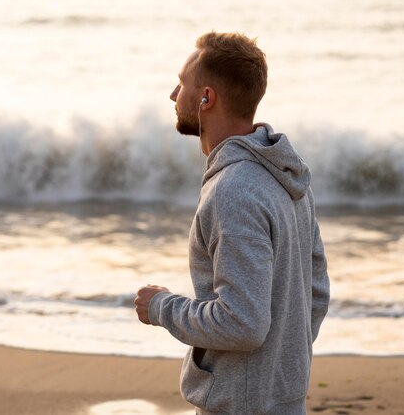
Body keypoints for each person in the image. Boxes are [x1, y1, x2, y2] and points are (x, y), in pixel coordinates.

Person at [134, 32, 330, 415]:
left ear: (207, 98)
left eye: (183, 84)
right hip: (285, 401)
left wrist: (160, 307)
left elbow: (242, 323)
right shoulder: (287, 175)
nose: (174, 95)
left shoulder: (234, 191)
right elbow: (316, 292)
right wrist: (278, 368)